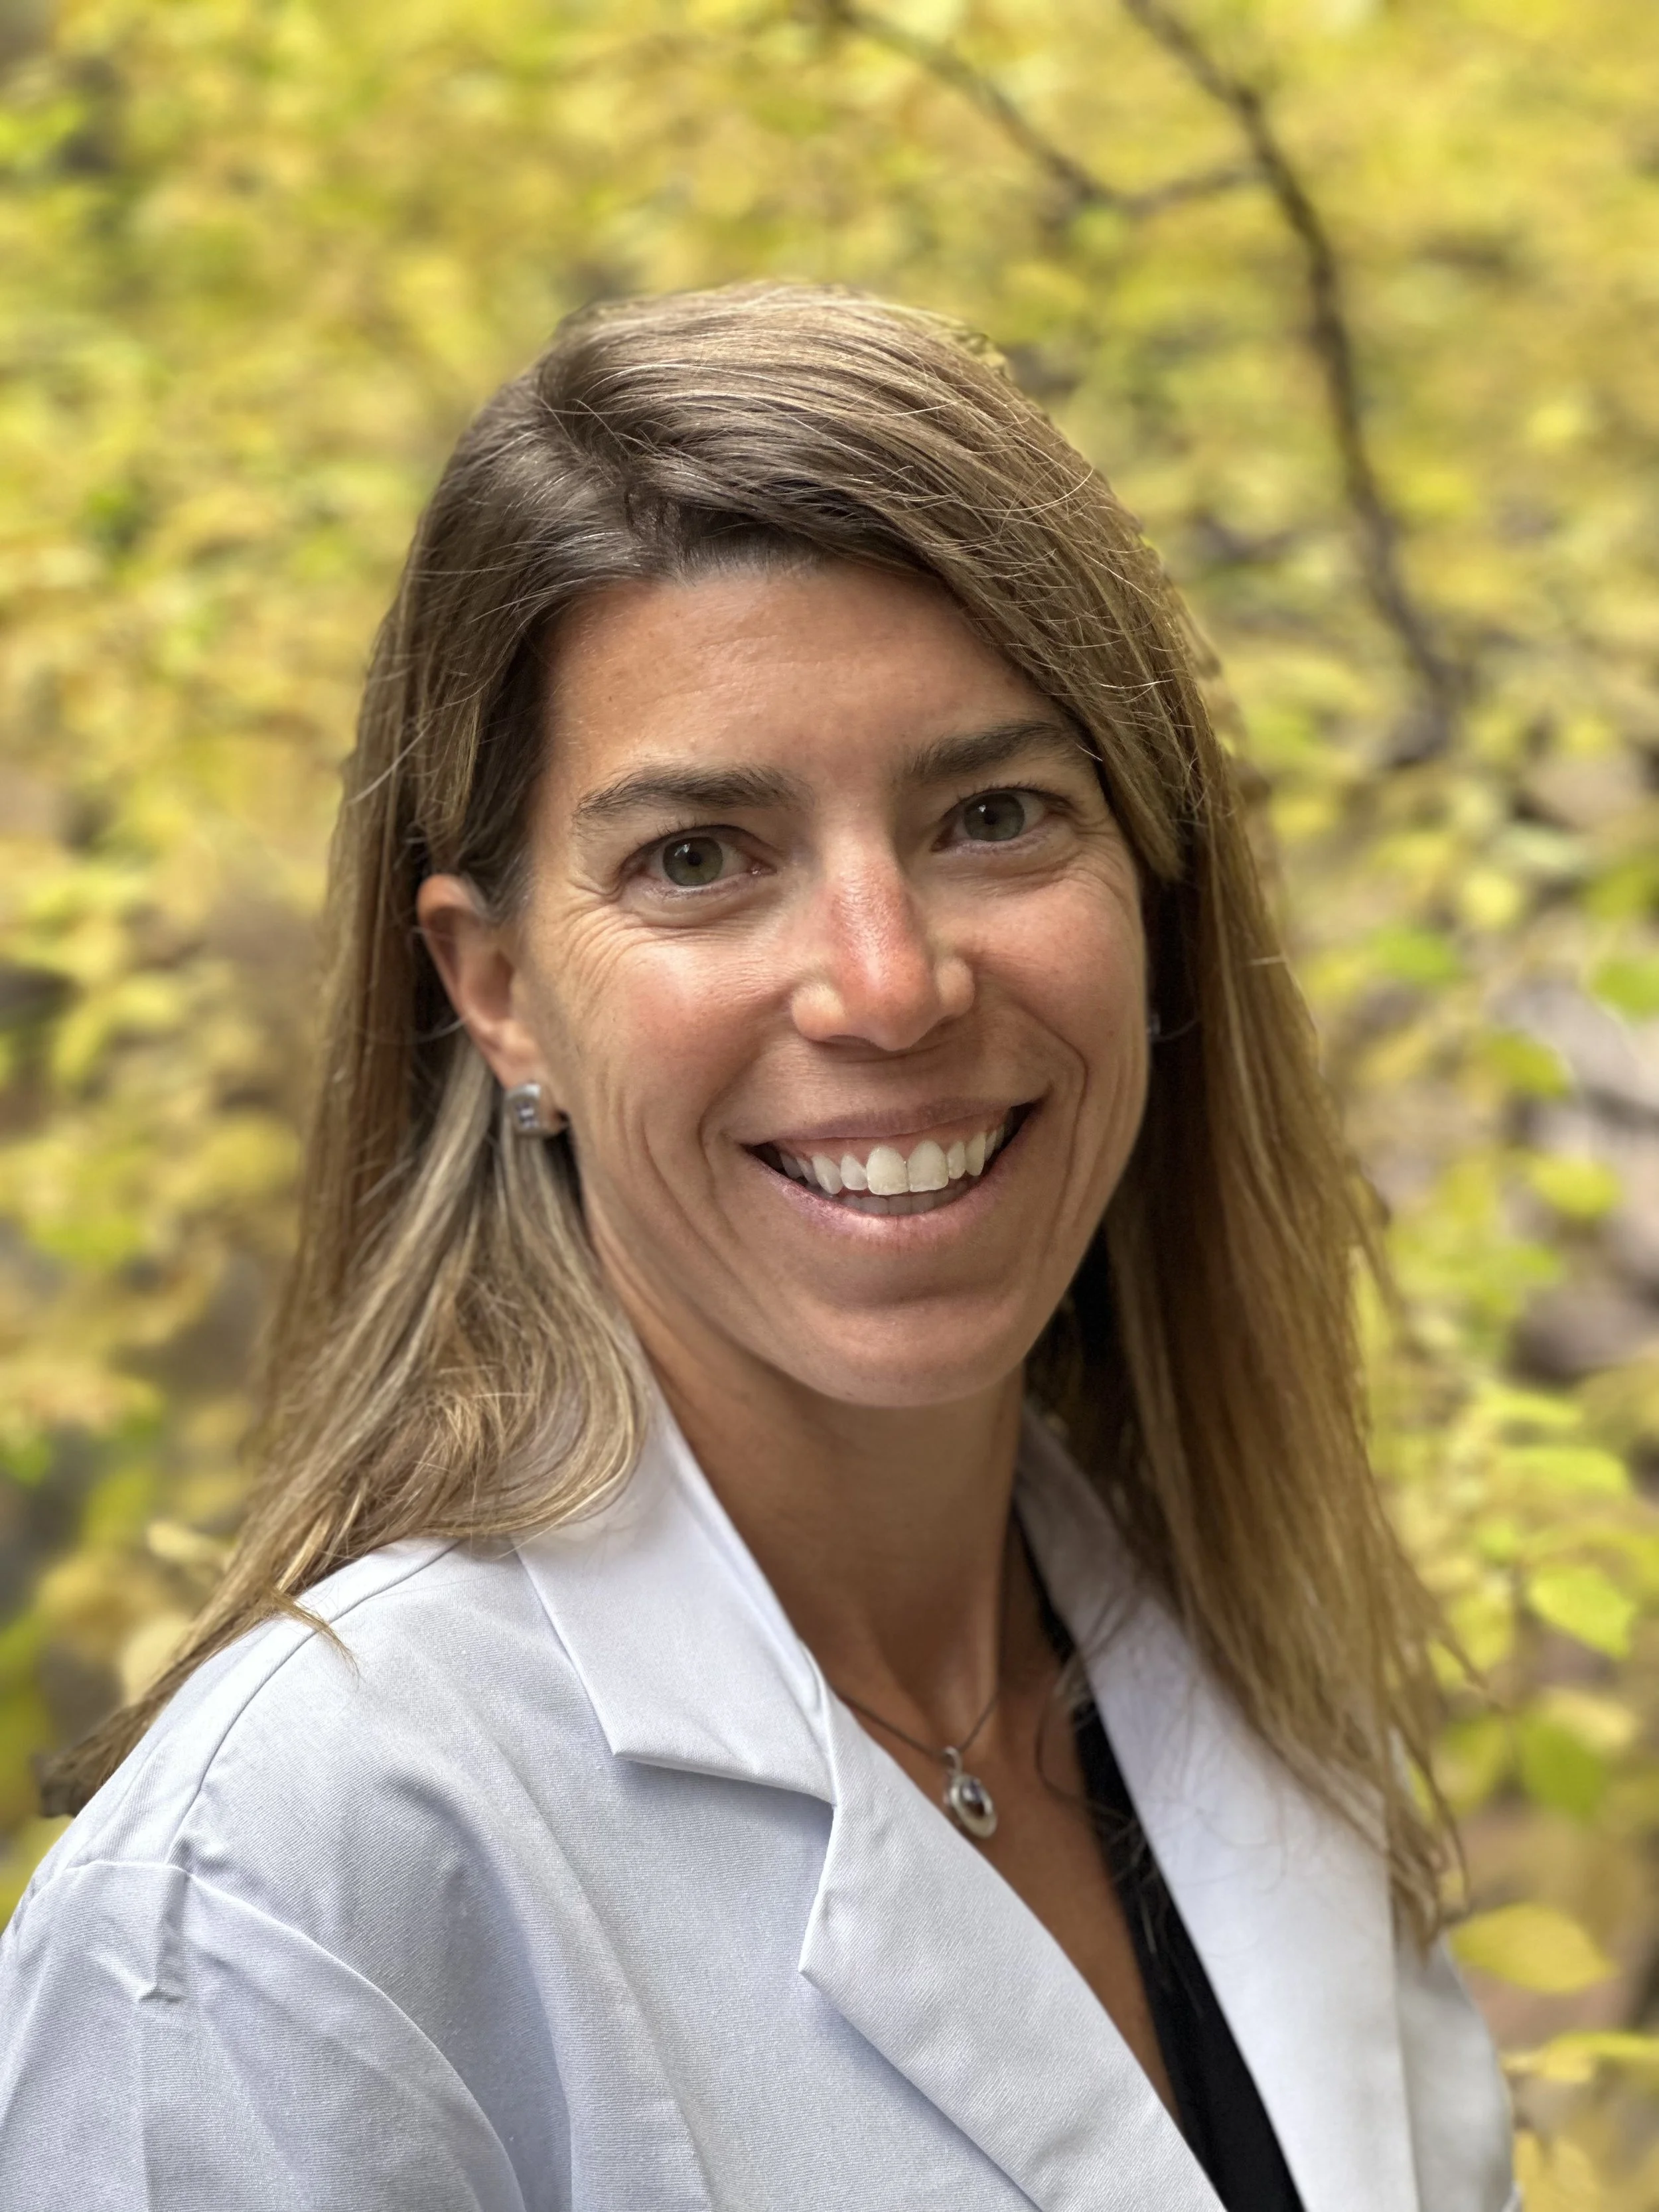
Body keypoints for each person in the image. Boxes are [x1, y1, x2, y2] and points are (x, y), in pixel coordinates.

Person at [0, 283, 1514, 2211]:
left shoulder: (1239, 1682)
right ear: (497, 991)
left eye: (992, 813)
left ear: (1152, 897)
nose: (886, 985)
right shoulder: (296, 1878)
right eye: (699, 856)